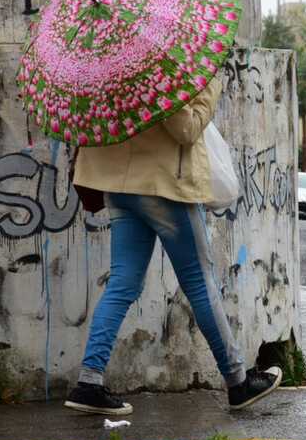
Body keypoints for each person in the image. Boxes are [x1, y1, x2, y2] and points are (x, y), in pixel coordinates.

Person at [63, 79, 282, 415]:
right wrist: (208, 88)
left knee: (122, 284)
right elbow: (186, 129)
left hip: (118, 185)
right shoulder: (167, 69)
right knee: (199, 282)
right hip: (164, 186)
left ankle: (88, 383)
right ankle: (238, 382)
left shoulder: (109, 62)